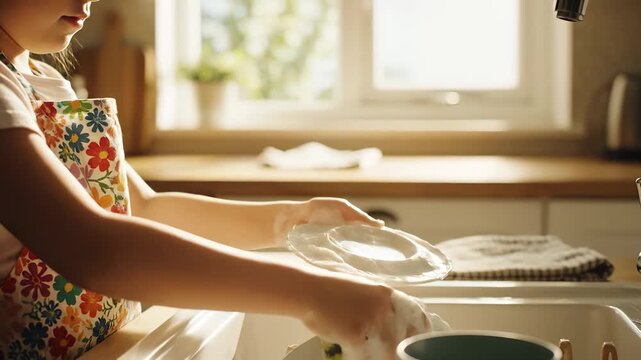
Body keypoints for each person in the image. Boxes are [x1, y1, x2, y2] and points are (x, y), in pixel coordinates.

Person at [0, 1, 433, 359]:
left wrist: (294, 219)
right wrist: (315, 295)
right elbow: (93, 248)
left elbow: (146, 209)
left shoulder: (47, 82)